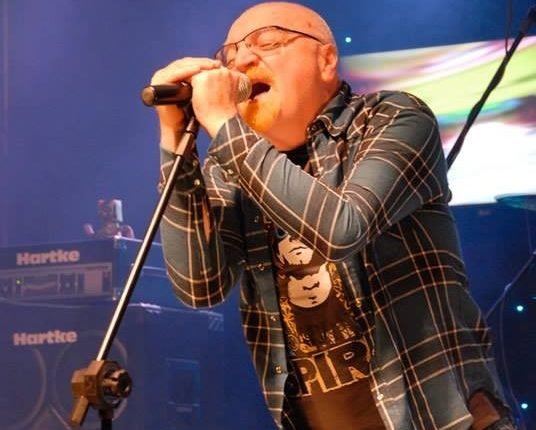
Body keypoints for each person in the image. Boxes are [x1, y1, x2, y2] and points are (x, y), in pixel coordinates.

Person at [149, 2, 515, 429]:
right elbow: (199, 286)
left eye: (267, 42)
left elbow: (342, 230)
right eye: (230, 54)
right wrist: (173, 137)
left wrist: (225, 122)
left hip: (439, 419)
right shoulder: (228, 166)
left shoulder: (393, 118)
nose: (242, 60)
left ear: (326, 59)